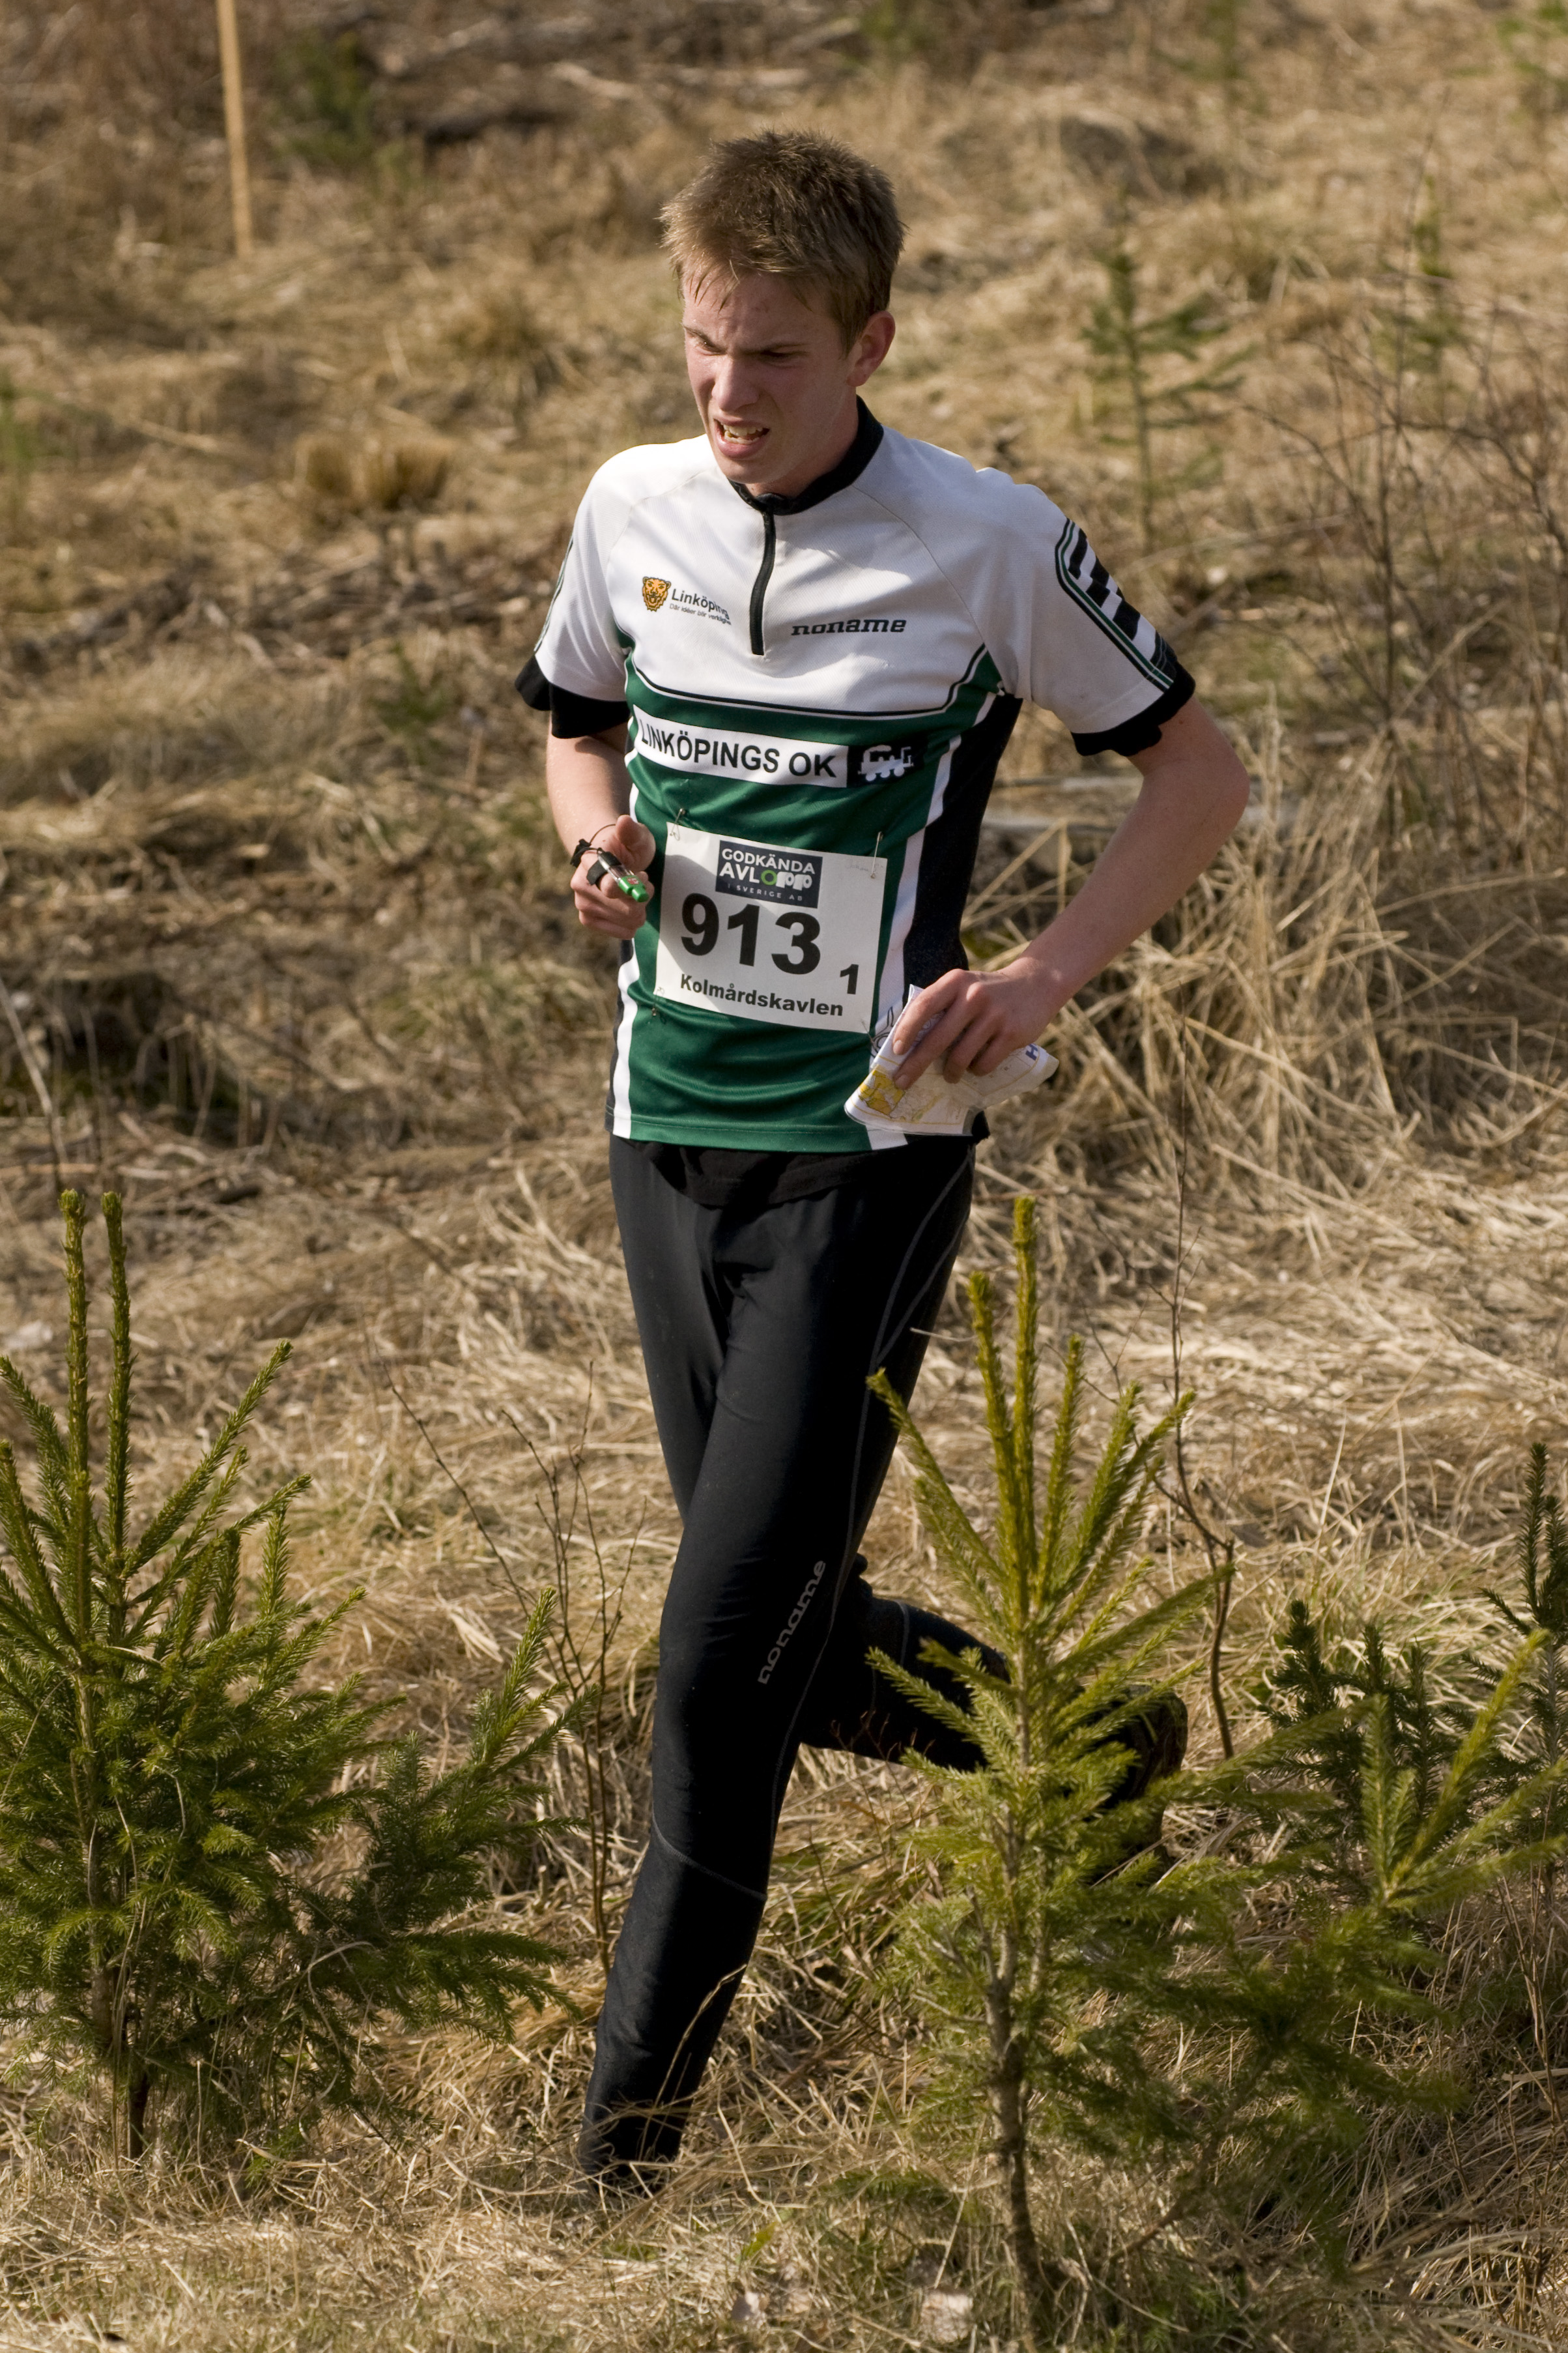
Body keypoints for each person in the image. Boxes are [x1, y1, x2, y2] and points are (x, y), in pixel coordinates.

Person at [517, 129, 1251, 2194]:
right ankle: (1089, 1754)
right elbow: (574, 710)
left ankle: (616, 2174)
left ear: (872, 343)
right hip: (667, 1132)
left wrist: (1040, 971)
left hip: (870, 1151)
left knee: (710, 1664)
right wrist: (596, 841)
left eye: (770, 356)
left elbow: (1200, 774)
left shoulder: (984, 540)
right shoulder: (633, 507)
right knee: (781, 1624)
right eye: (700, 346)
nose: (725, 394)